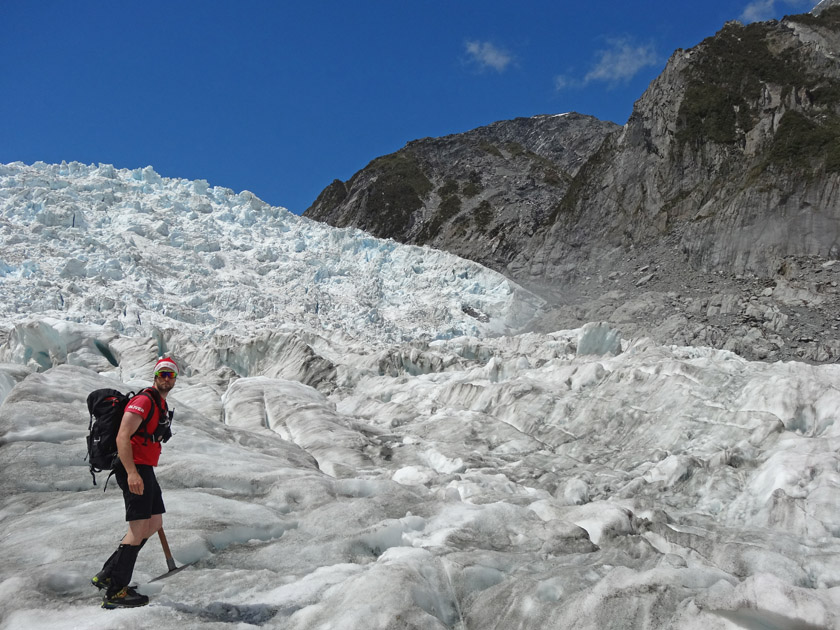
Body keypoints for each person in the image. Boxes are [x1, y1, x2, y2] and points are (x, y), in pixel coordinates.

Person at [91, 357, 177, 609]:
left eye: (171, 375)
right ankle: (117, 591)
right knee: (138, 528)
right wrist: (131, 472)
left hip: (144, 469)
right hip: (134, 468)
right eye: (163, 373)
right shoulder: (143, 401)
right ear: (155, 375)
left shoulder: (159, 403)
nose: (166, 378)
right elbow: (122, 436)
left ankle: (108, 575)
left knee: (154, 522)